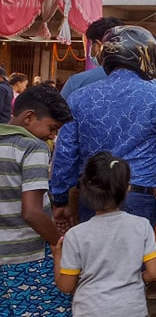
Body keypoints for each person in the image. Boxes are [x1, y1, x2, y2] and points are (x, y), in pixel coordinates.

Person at [51, 25, 156, 227]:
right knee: (136, 257)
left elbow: (65, 155)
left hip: (92, 197)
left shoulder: (79, 97)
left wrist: (61, 199)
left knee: (93, 257)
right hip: (138, 198)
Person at [52, 152, 156, 317]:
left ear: (85, 190)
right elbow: (154, 272)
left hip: (91, 310)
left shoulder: (76, 235)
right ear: (127, 189)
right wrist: (135, 281)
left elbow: (66, 286)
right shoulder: (142, 226)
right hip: (132, 309)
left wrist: (57, 256)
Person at [0, 85, 73, 316]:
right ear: (29, 117)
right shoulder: (32, 147)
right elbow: (31, 212)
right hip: (27, 257)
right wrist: (59, 242)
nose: (52, 136)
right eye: (52, 128)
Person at [60, 17, 125, 101]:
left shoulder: (77, 83)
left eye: (91, 45)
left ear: (98, 45)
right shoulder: (143, 80)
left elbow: (59, 112)